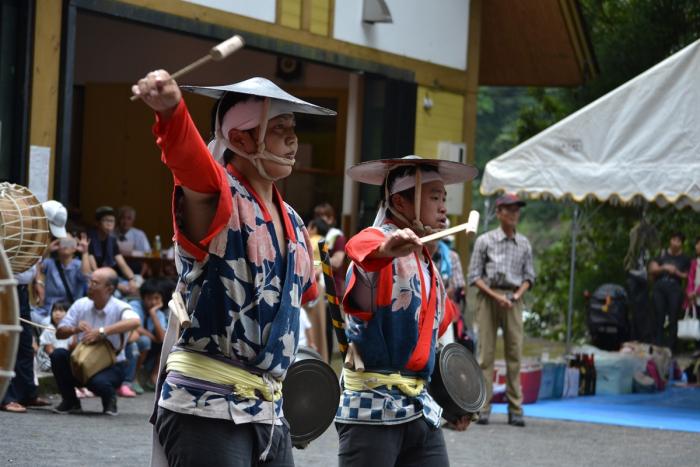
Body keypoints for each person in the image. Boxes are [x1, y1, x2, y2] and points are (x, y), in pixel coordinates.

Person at [132, 70, 335, 466]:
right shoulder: (217, 195)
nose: (293, 140)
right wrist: (172, 113)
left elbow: (307, 295)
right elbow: (190, 165)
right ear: (240, 138)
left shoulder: (294, 220)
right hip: (206, 405)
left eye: (293, 128)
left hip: (271, 412)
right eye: (279, 129)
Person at [336, 156, 477, 467]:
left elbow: (434, 340)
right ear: (400, 200)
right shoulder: (379, 250)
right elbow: (364, 248)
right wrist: (386, 250)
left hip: (418, 408)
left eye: (445, 198)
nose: (444, 207)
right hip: (372, 411)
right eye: (434, 197)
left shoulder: (428, 261)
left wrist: (454, 399)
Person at [467, 193, 535, 427]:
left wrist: (515, 296)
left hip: (514, 299)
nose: (514, 213)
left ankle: (516, 408)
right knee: (485, 355)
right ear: (499, 213)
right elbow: (474, 276)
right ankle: (483, 408)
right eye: (509, 209)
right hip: (489, 296)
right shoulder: (485, 241)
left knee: (514, 353)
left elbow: (529, 277)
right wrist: (497, 297)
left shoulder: (524, 243)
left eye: (517, 209)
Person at [50, 267, 140, 415]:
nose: (89, 286)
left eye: (95, 283)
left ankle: (109, 399)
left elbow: (135, 322)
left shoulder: (120, 307)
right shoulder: (81, 304)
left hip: (111, 365)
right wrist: (74, 329)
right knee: (58, 355)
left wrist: (102, 332)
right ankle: (70, 401)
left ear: (109, 289)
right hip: (81, 360)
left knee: (99, 382)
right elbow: (60, 333)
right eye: (90, 282)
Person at [0, 264, 51, 413]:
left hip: (21, 289)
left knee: (25, 345)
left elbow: (35, 262)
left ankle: (27, 393)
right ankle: (5, 397)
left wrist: (37, 281)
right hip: (5, 287)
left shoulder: (40, 241)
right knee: (4, 344)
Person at [34, 234, 91, 324]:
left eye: (69, 243)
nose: (65, 246)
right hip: (48, 310)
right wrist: (47, 250)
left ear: (74, 248)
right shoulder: (50, 263)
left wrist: (84, 253)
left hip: (69, 313)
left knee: (46, 323)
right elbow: (35, 266)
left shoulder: (78, 265)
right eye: (63, 243)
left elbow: (86, 276)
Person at [649, 232, 690, 351]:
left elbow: (688, 276)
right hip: (659, 288)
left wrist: (676, 272)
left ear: (682, 244)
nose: (676, 243)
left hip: (675, 289)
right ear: (670, 241)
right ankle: (657, 346)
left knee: (674, 317)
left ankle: (671, 348)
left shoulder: (685, 259)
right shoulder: (661, 254)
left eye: (679, 241)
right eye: (674, 240)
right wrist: (664, 268)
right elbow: (652, 269)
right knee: (659, 316)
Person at [87, 206, 138, 296]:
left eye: (112, 221)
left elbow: (122, 263)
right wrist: (117, 285)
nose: (109, 224)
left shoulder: (112, 240)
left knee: (136, 287)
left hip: (110, 278)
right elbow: (95, 270)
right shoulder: (90, 239)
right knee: (117, 294)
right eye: (106, 220)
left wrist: (131, 279)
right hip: (94, 279)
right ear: (97, 223)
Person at [36, 301, 76, 373]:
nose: (57, 313)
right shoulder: (49, 329)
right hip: (51, 361)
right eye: (54, 310)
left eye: (61, 310)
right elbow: (49, 350)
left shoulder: (72, 329)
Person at [116, 205, 152, 276]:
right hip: (116, 266)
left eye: (129, 218)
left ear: (133, 220)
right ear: (118, 219)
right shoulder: (112, 234)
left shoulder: (139, 234)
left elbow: (147, 255)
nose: (125, 222)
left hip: (135, 267)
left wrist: (139, 277)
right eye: (123, 218)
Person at [686, 237, 700, 312]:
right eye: (696, 244)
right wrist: (690, 292)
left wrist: (695, 292)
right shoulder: (694, 262)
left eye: (699, 244)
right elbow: (690, 279)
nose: (697, 246)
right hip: (695, 300)